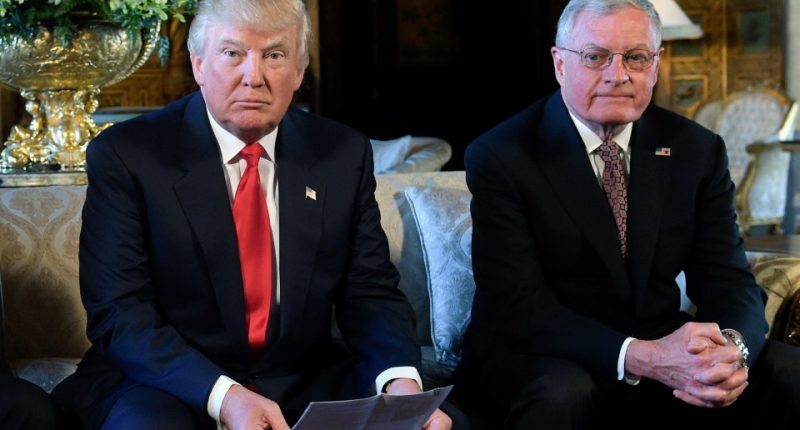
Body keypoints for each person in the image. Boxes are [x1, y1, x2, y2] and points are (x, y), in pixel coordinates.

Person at [51, 0, 454, 429]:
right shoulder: (129, 155)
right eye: (233, 54)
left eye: (275, 56)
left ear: (299, 72)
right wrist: (226, 397)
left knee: (441, 424)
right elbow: (121, 314)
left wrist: (400, 386)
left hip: (303, 379)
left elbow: (370, 292)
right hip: (165, 383)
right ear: (199, 65)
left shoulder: (341, 153)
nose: (254, 77)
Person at [452, 0, 800, 429]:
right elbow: (519, 306)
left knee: (787, 370)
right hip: (541, 350)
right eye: (595, 57)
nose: (618, 76)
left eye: (636, 57)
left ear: (655, 65)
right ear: (560, 64)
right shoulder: (503, 154)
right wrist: (642, 356)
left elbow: (727, 277)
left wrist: (728, 350)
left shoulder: (696, 150)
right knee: (564, 394)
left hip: (659, 339)